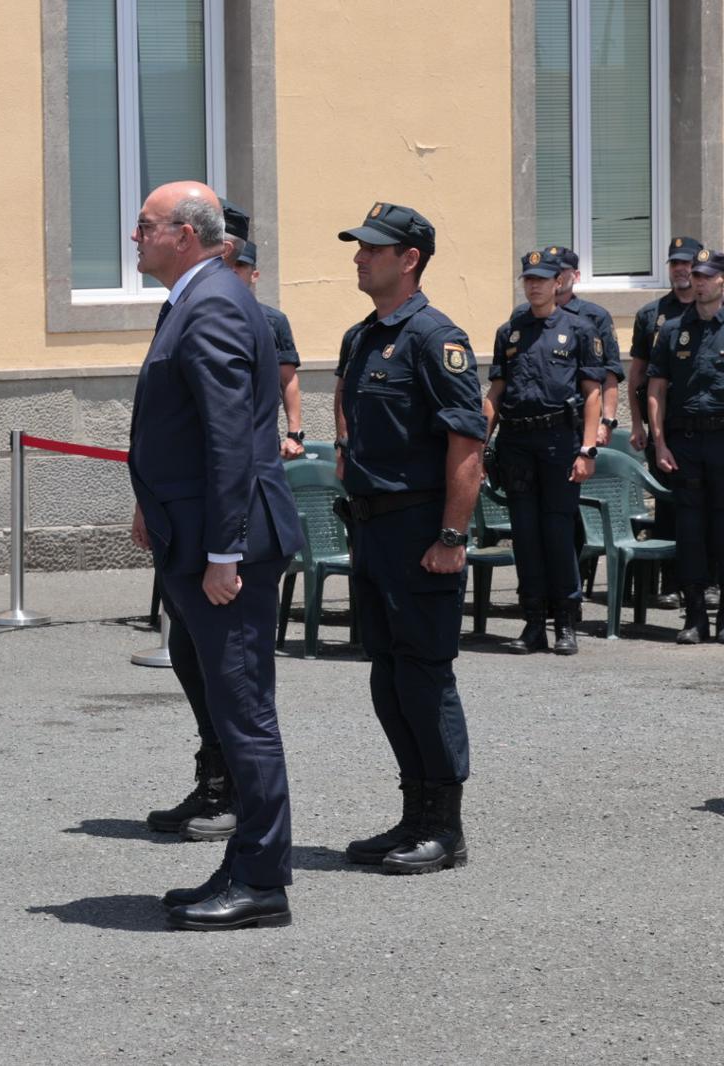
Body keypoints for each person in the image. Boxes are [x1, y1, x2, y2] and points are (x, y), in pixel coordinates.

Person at [128, 180, 304, 931]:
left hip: (223, 546)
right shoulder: (198, 299)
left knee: (244, 711)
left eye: (147, 226)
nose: (135, 236)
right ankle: (244, 861)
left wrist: (224, 551)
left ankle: (262, 878)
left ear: (188, 235)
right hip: (192, 533)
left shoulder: (212, 306)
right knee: (227, 704)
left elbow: (232, 439)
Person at [332, 202, 484, 874]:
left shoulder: (436, 338)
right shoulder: (361, 338)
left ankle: (445, 828)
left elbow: (466, 444)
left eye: (373, 248)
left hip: (421, 530)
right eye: (360, 247)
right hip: (372, 529)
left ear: (410, 259)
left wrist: (451, 535)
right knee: (388, 676)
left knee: (425, 677)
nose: (360, 257)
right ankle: (412, 813)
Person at [483, 251, 604, 654]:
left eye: (541, 279)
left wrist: (587, 449)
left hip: (559, 442)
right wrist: (478, 445)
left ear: (558, 283)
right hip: (517, 443)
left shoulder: (580, 330)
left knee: (556, 532)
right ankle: (532, 623)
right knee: (526, 536)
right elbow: (495, 394)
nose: (533, 285)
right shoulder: (510, 332)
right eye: (527, 279)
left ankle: (565, 624)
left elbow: (593, 394)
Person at [648, 247, 724, 644]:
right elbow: (656, 386)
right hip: (686, 442)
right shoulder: (674, 329)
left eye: (707, 275)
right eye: (696, 275)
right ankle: (694, 617)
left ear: (722, 281)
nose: (699, 281)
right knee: (690, 529)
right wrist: (660, 442)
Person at [630, 236, 703, 607]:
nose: (680, 269)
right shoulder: (652, 315)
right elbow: (639, 377)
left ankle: (708, 583)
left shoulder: (714, 313)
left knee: (707, 508)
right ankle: (671, 584)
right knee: (669, 505)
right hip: (666, 427)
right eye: (674, 263)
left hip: (704, 425)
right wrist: (640, 425)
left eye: (686, 263)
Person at [541, 246, 624, 447]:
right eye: (550, 270)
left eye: (561, 270)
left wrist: (606, 422)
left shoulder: (595, 316)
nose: (556, 275)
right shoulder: (526, 316)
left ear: (576, 275)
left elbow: (610, 373)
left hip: (578, 420)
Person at [233, 240, 306, 459]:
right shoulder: (203, 317)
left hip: (260, 441)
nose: (232, 270)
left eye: (239, 265)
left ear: (254, 275)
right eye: (226, 264)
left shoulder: (274, 322)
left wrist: (294, 434)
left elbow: (288, 380)